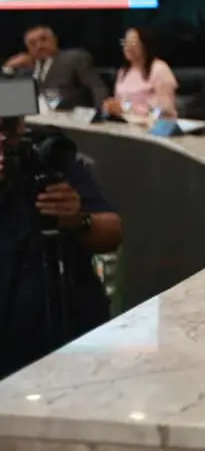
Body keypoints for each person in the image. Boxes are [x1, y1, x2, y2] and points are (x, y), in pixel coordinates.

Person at [0, 119, 122, 379]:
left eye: (9, 128)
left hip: (66, 334)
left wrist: (78, 220)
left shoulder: (45, 158)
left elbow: (111, 233)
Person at [2, 26, 107, 111]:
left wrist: (101, 114)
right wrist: (9, 67)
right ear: (28, 49)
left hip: (68, 121)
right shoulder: (25, 68)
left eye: (43, 39)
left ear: (54, 40)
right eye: (33, 43)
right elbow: (10, 105)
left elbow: (97, 88)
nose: (39, 46)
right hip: (35, 123)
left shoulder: (74, 58)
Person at [103, 27, 178, 119]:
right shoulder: (123, 71)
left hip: (152, 128)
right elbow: (121, 103)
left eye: (133, 42)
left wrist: (129, 110)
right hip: (123, 126)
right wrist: (111, 107)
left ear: (145, 44)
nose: (127, 46)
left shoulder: (159, 69)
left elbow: (165, 112)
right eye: (125, 42)